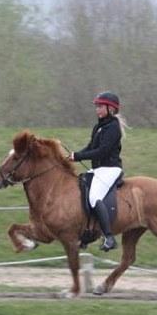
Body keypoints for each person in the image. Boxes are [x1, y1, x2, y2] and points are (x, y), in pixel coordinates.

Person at [69, 91, 125, 252]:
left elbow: (102, 151)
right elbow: (91, 147)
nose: (97, 110)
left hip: (110, 169)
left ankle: (109, 237)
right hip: (98, 169)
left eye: (100, 107)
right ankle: (87, 232)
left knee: (94, 197)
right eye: (97, 107)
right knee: (81, 187)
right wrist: (74, 156)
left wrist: (79, 156)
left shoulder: (113, 127)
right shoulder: (99, 126)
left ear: (110, 108)